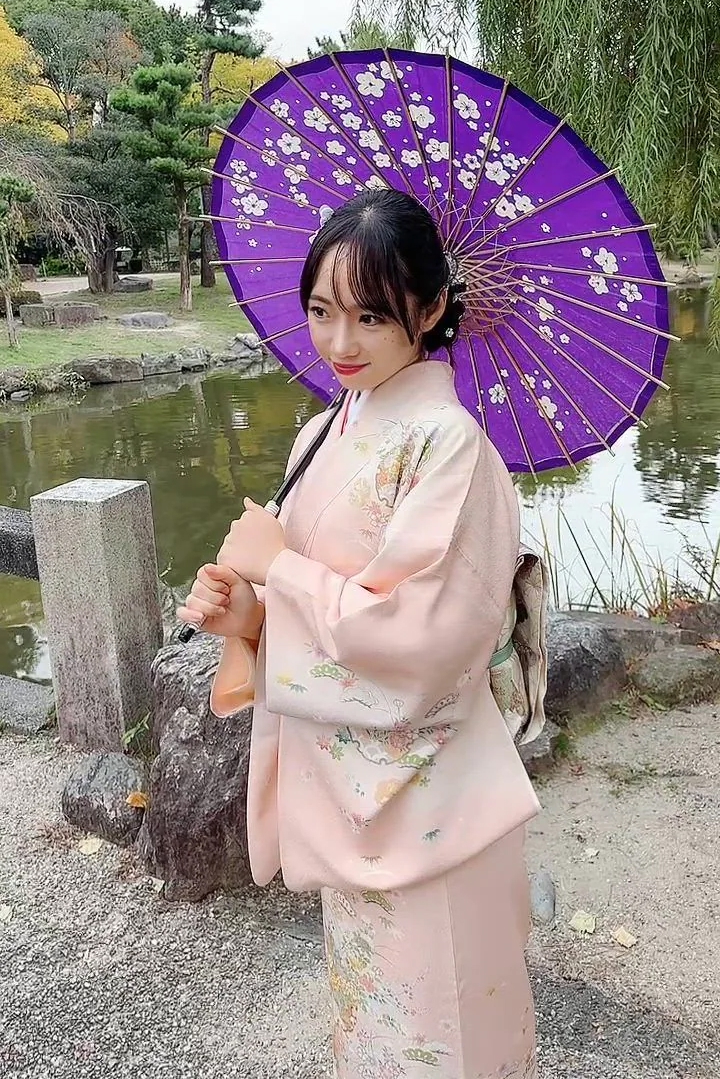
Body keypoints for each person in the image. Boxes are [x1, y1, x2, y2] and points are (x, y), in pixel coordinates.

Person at [177, 188, 543, 1079]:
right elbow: (310, 609)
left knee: (450, 1031)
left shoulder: (451, 446)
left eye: (372, 316)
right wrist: (250, 619)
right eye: (321, 311)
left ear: (432, 306)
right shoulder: (322, 430)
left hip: (431, 798)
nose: (340, 342)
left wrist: (283, 570)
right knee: (376, 1031)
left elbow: (428, 639)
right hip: (346, 790)